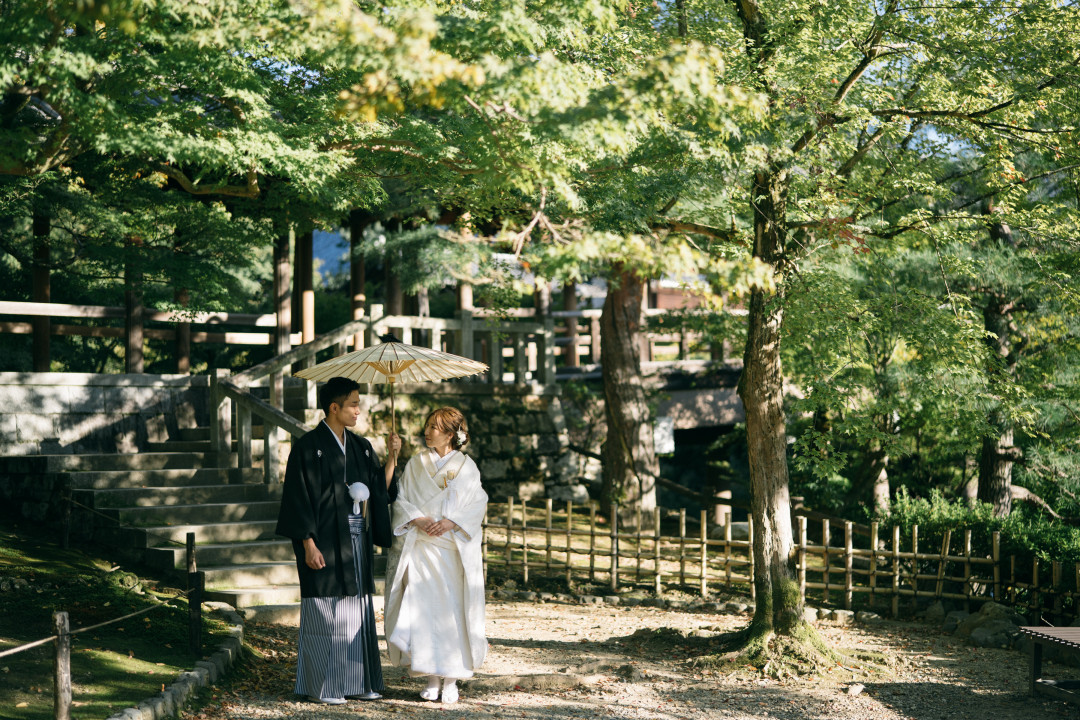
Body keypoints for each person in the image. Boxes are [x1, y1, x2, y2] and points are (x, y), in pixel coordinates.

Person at [275, 376, 401, 704]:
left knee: (356, 611)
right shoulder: (307, 447)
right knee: (324, 610)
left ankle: (357, 682)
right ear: (334, 407)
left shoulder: (361, 447)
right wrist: (307, 543)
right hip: (323, 541)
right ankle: (323, 686)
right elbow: (297, 498)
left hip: (355, 542)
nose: (359, 410)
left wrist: (392, 458)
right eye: (354, 404)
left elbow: (378, 490)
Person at [384, 407, 488, 704]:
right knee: (422, 611)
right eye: (427, 425)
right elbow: (401, 498)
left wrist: (451, 521)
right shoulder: (417, 463)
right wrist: (417, 518)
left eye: (435, 427)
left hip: (451, 549)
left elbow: (477, 502)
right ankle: (430, 678)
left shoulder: (467, 467)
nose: (427, 431)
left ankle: (452, 680)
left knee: (452, 611)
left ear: (451, 434)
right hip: (421, 547)